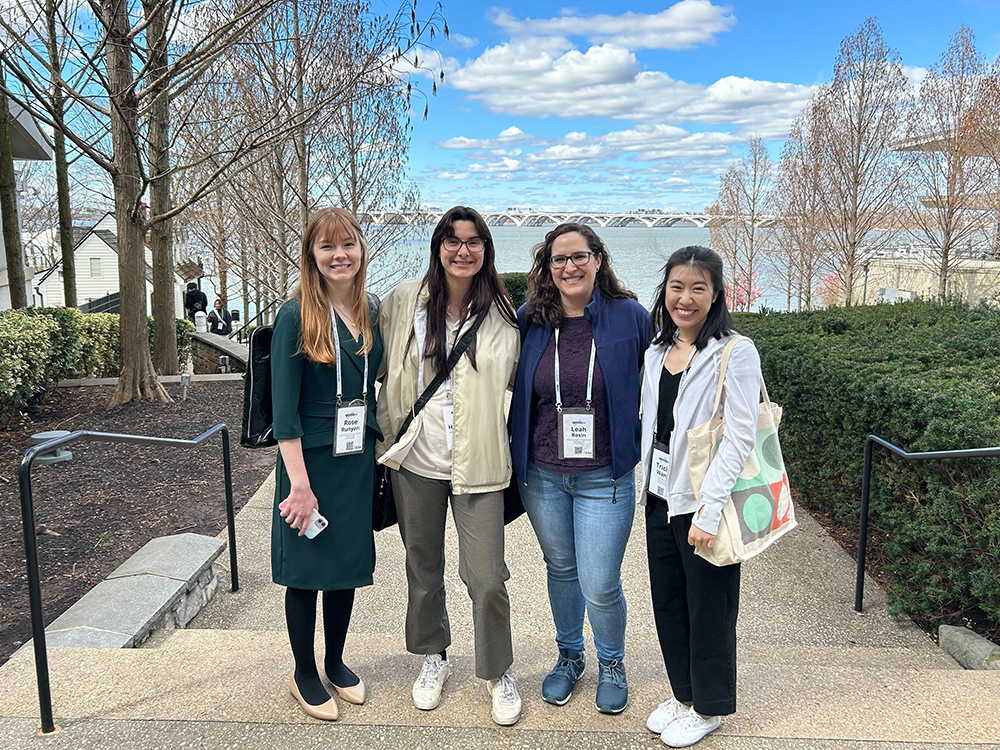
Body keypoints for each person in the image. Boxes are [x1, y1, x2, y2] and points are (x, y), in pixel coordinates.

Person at [375, 206, 521, 726]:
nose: (463, 250)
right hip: (415, 457)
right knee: (423, 570)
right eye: (453, 240)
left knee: (486, 577)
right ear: (438, 246)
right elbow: (359, 340)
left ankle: (497, 668)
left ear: (486, 248)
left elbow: (525, 386)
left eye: (474, 241)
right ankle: (433, 656)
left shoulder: (505, 313)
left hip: (479, 464)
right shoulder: (402, 301)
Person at [509, 223, 653, 714]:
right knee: (562, 570)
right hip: (543, 473)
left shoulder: (629, 316)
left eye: (579, 256)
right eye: (558, 259)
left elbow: (662, 374)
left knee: (599, 580)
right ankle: (570, 656)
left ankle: (612, 661)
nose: (569, 266)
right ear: (547, 268)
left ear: (597, 259)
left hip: (604, 476)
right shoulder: (531, 318)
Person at [638, 246, 762, 747]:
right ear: (664, 290)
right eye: (676, 287)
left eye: (698, 288)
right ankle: (682, 694)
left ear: (715, 295)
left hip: (704, 502)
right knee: (667, 601)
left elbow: (740, 436)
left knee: (709, 606)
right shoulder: (656, 350)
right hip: (659, 495)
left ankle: (709, 706)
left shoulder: (735, 351)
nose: (685, 299)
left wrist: (709, 510)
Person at [270, 207, 384, 721]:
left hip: (355, 456)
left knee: (344, 564)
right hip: (309, 463)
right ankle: (303, 672)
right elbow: (283, 414)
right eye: (327, 247)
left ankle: (335, 661)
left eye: (349, 245)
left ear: (362, 250)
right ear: (312, 256)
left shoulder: (371, 311)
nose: (340, 256)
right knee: (307, 568)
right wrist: (298, 486)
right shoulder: (295, 315)